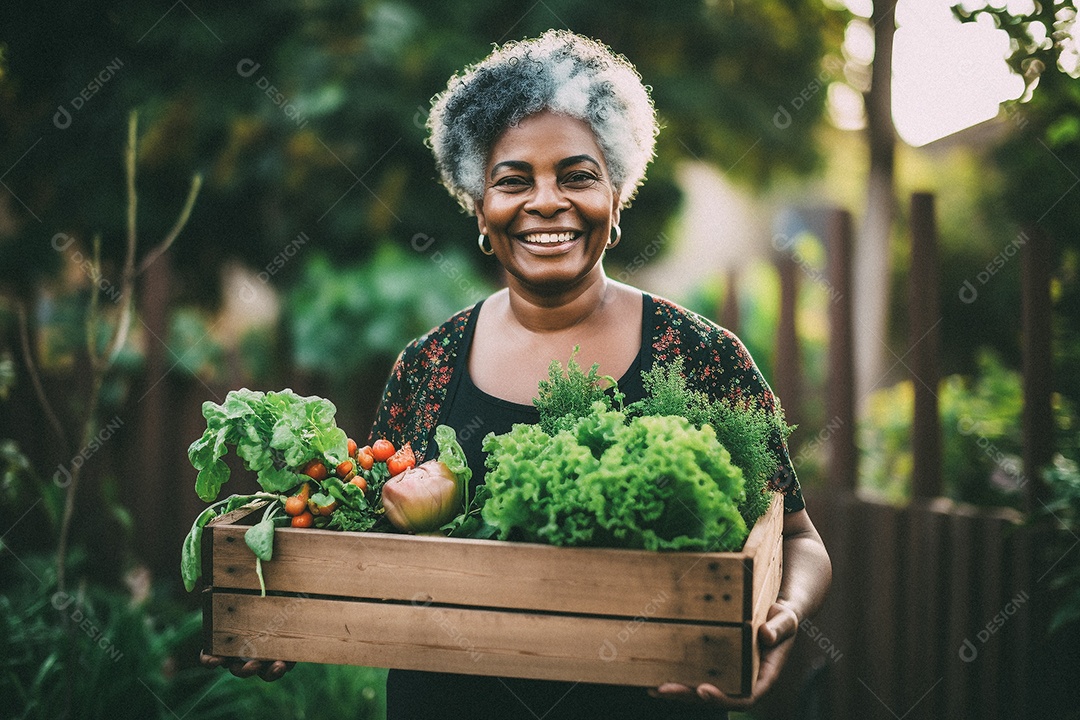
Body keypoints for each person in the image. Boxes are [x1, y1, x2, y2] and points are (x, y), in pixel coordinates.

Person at [203, 29, 831, 719]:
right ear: (478, 205)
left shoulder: (704, 355)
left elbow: (798, 539)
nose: (546, 202)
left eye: (577, 175)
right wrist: (284, 609)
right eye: (512, 180)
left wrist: (782, 617)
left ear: (618, 194)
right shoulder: (427, 366)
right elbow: (366, 548)